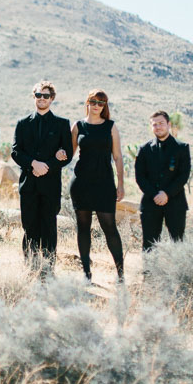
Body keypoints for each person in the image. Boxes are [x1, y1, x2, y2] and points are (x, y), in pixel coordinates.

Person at [11, 80, 72, 267]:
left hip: (51, 184)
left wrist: (47, 166)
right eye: (38, 95)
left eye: (46, 96)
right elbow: (15, 151)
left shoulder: (62, 124)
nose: (42, 99)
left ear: (51, 98)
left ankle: (48, 266)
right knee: (29, 225)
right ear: (34, 97)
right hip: (28, 184)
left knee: (49, 225)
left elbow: (67, 154)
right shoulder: (22, 124)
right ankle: (30, 265)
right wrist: (33, 164)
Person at [70, 89, 125, 282]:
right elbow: (68, 153)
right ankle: (86, 273)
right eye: (93, 101)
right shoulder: (78, 126)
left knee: (109, 227)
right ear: (87, 102)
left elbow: (117, 157)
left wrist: (121, 184)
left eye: (101, 103)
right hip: (81, 183)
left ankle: (121, 274)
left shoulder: (110, 126)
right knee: (83, 227)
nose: (96, 106)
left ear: (105, 106)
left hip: (104, 183)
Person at [135, 111, 191, 252]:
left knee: (177, 243)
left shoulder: (182, 148)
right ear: (151, 127)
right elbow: (140, 177)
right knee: (149, 243)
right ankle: (149, 273)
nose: (158, 127)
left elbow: (183, 175)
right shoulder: (144, 149)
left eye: (161, 123)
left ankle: (178, 274)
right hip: (150, 202)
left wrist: (166, 194)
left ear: (169, 124)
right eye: (155, 124)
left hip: (175, 202)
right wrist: (155, 194)